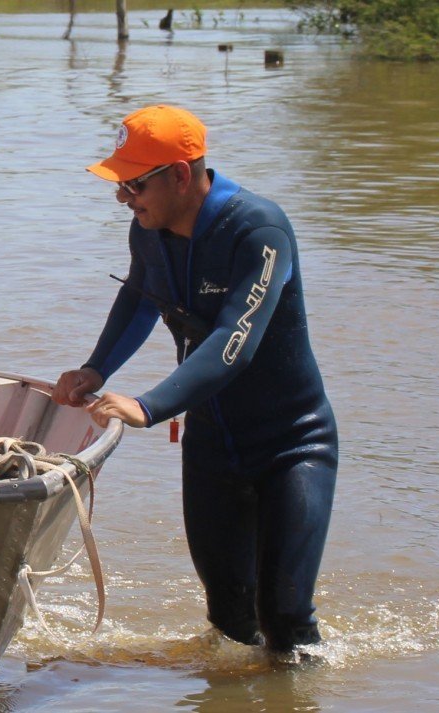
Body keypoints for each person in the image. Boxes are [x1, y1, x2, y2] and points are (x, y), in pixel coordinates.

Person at [54, 105, 339, 654]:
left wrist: (148, 405)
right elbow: (138, 298)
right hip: (212, 447)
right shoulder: (150, 231)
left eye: (133, 183)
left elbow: (237, 339)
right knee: (230, 620)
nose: (123, 198)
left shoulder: (258, 229)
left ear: (180, 175)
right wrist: (95, 369)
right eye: (119, 185)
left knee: (285, 622)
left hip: (292, 444)